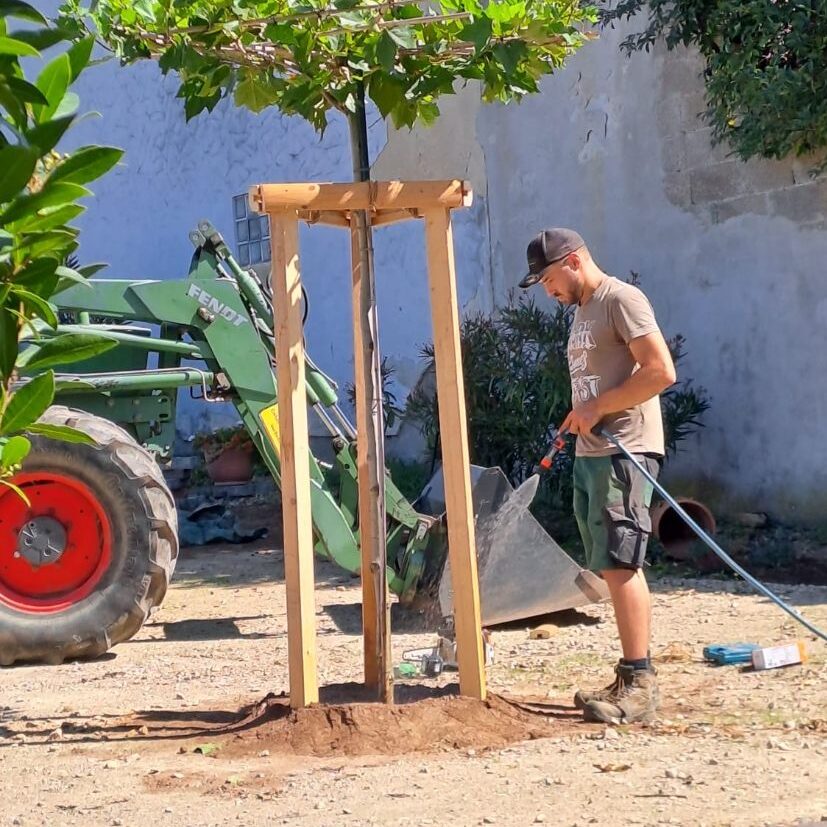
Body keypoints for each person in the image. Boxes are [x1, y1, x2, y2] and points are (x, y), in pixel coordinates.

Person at [519, 228, 676, 725]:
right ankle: (628, 674)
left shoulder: (620, 299)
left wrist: (600, 407)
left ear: (572, 261)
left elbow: (660, 371)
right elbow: (599, 383)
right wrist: (580, 413)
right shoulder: (585, 312)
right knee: (608, 563)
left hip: (625, 450)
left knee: (623, 561)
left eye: (547, 278)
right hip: (594, 451)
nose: (547, 290)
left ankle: (642, 683)